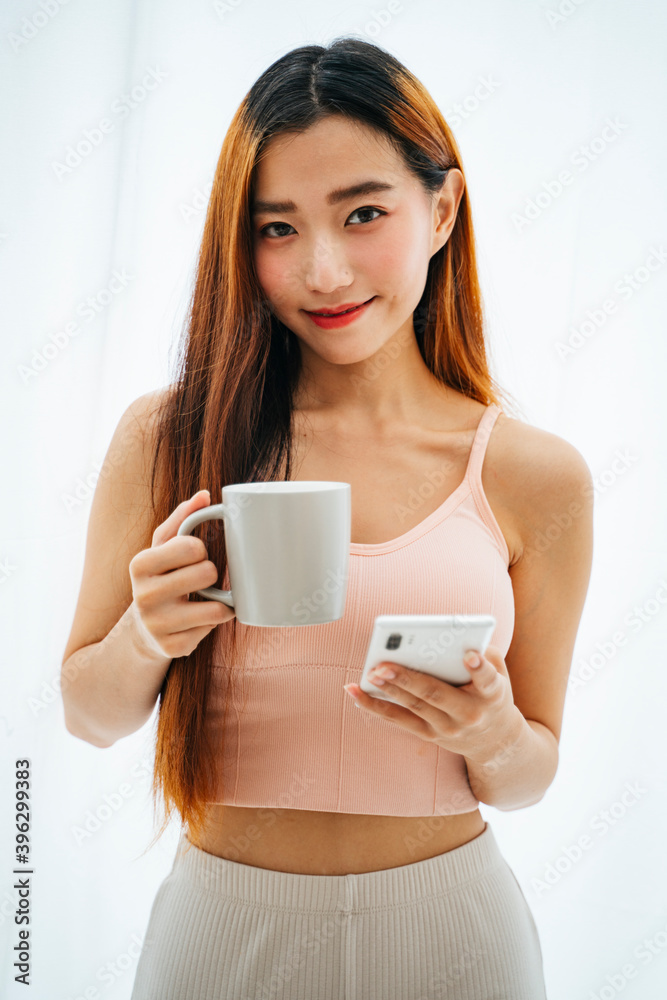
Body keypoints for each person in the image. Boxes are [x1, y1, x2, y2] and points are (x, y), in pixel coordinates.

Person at [61, 37, 594, 999]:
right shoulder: (169, 437)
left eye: (362, 214)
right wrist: (147, 631)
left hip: (451, 931)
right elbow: (88, 714)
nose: (324, 271)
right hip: (224, 930)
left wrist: (493, 733)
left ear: (439, 210)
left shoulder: (534, 476)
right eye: (276, 229)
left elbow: (528, 777)